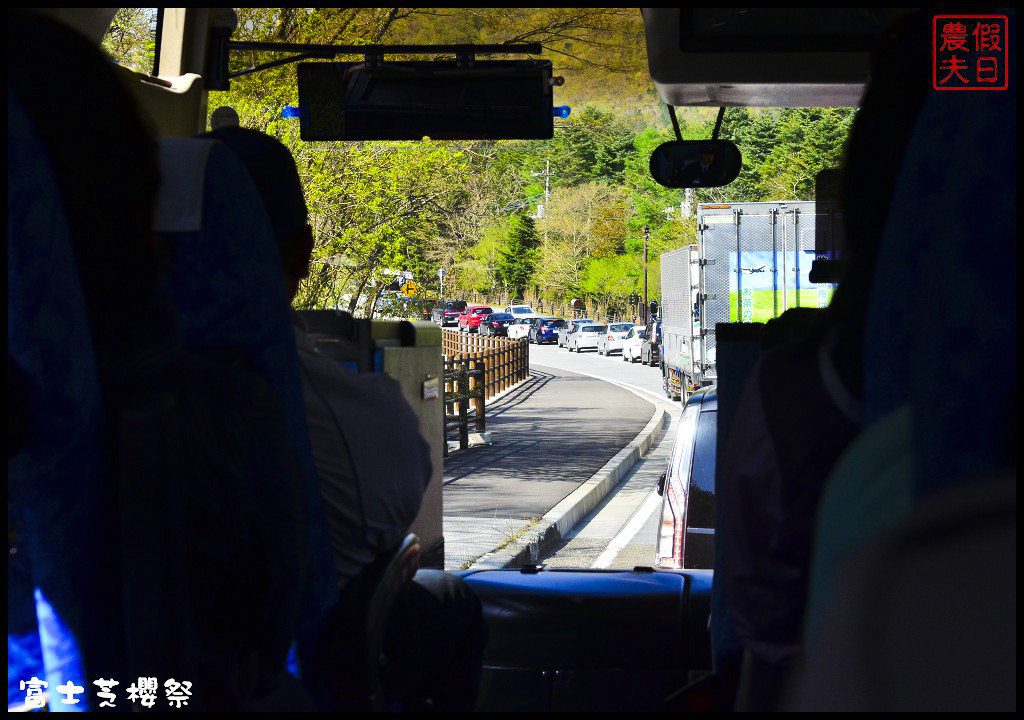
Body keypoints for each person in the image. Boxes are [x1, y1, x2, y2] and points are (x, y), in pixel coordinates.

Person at [202, 126, 487, 711]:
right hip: (275, 683)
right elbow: (403, 501)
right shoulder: (346, 414)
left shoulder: (61, 395)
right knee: (447, 599)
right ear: (302, 253)